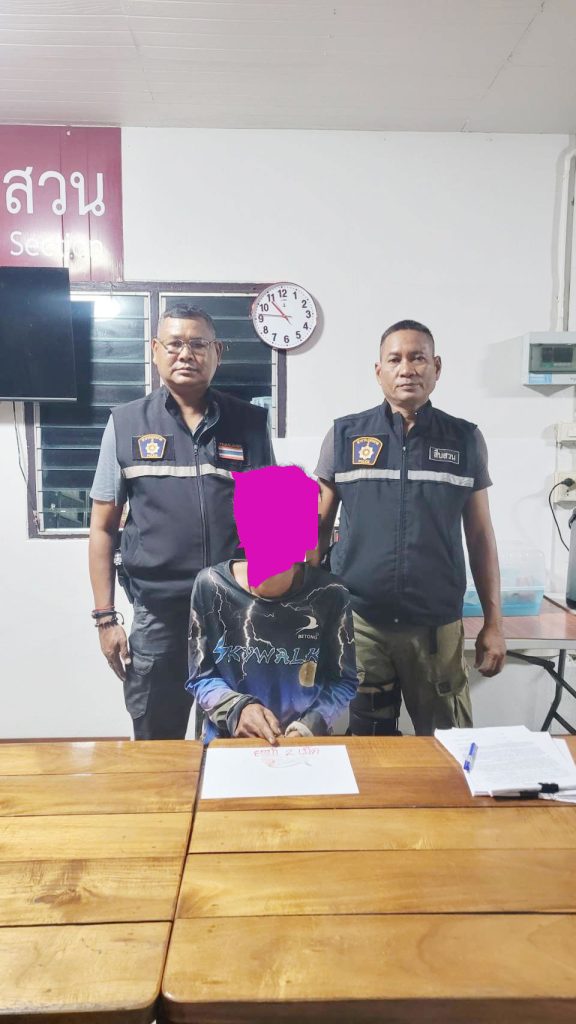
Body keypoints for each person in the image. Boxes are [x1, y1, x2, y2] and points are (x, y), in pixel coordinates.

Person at [88, 304, 274, 740]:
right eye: (174, 344)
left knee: (234, 740)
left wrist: (275, 611)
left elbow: (272, 526)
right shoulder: (125, 423)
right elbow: (102, 528)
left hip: (236, 615)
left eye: (198, 344)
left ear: (217, 353)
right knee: (158, 744)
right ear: (155, 350)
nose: (186, 353)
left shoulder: (249, 423)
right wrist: (105, 618)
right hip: (158, 616)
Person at [314, 319, 506, 736]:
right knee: (369, 743)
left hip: (436, 627)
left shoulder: (464, 439)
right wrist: (303, 609)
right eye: (395, 359)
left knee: (448, 745)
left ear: (436, 367)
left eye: (418, 358)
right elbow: (318, 527)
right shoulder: (344, 436)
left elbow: (480, 537)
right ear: (378, 370)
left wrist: (494, 622)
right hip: (361, 622)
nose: (407, 369)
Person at [186, 465, 358, 743]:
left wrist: (310, 724)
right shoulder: (211, 586)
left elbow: (343, 680)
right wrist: (238, 710)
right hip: (229, 743)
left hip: (302, 745)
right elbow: (200, 676)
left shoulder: (330, 594)